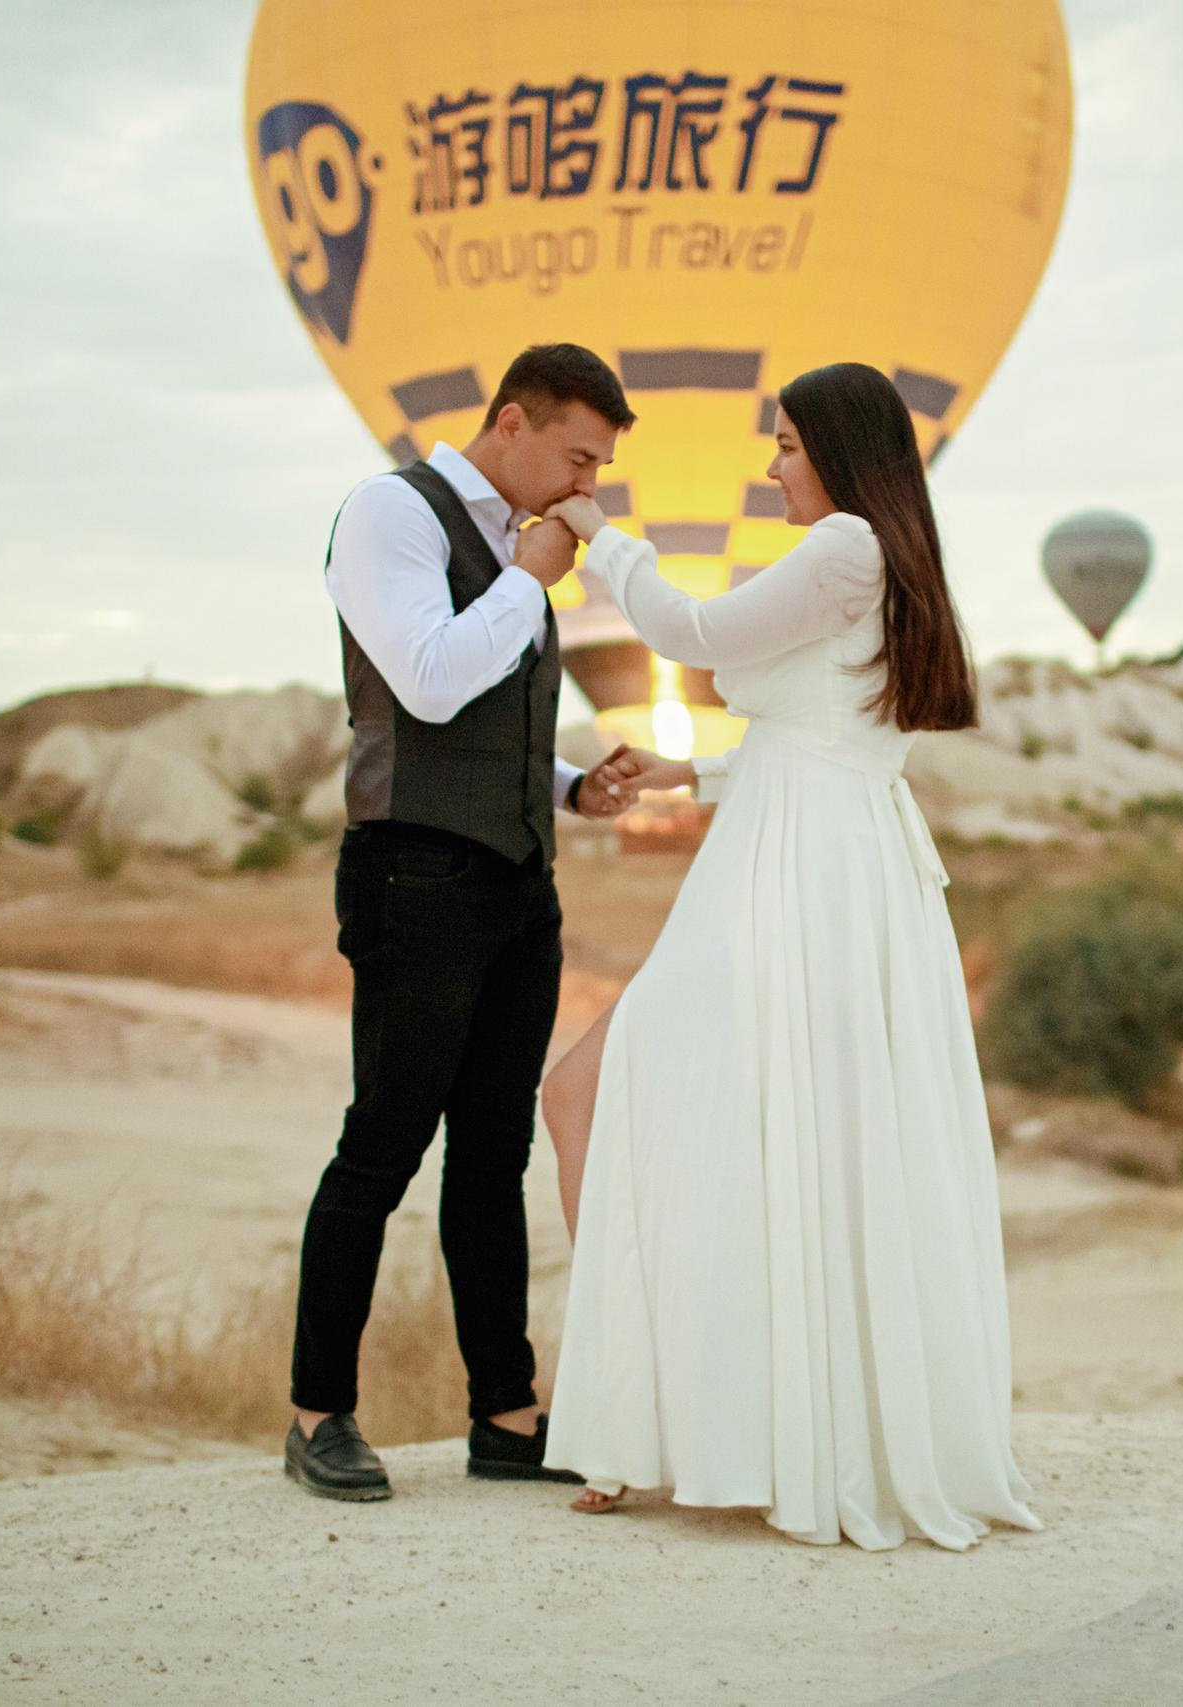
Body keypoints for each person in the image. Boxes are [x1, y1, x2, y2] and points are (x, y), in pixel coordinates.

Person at [534, 362, 1041, 1550]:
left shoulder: (846, 547)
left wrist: (601, 539)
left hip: (793, 879)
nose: (770, 468)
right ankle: (665, 1419)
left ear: (839, 451)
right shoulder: (875, 560)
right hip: (809, 853)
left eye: (786, 446)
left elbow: (693, 635)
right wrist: (687, 771)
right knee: (740, 1126)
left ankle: (641, 1422)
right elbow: (825, 733)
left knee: (608, 1092)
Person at [285, 343, 641, 1503]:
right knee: (383, 1145)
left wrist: (577, 786)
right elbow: (430, 684)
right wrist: (530, 579)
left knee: (494, 1158)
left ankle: (506, 1415)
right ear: (511, 422)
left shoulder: (514, 550)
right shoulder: (392, 513)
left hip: (516, 888)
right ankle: (317, 1415)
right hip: (412, 878)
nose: (587, 485)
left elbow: (494, 726)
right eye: (578, 455)